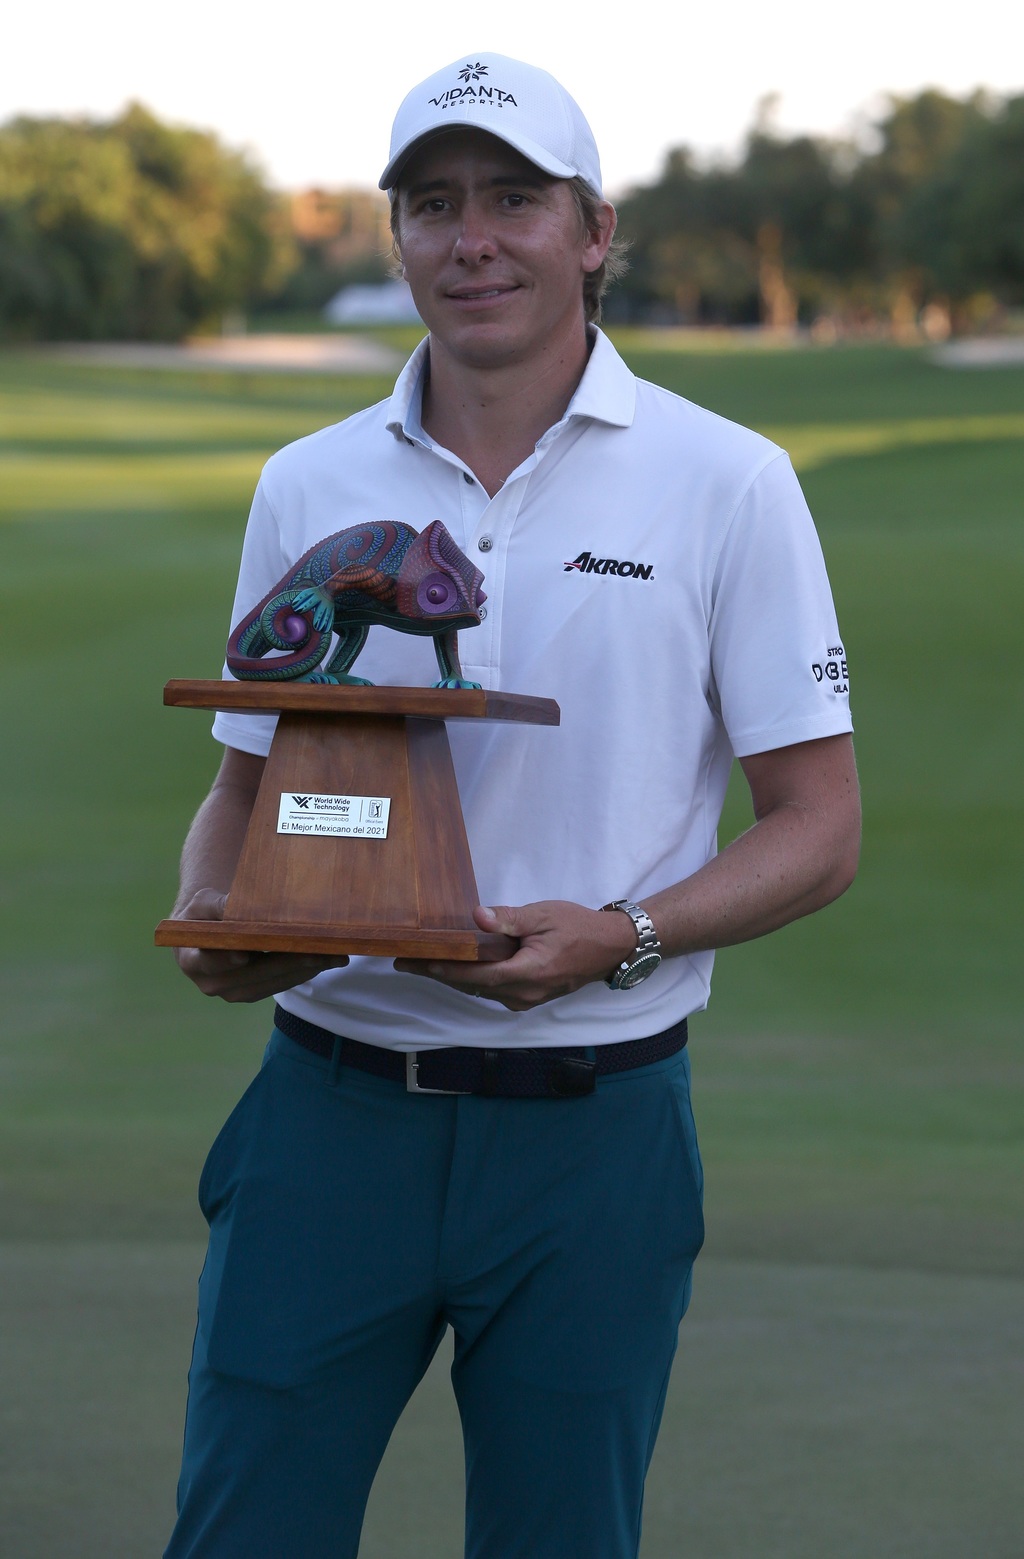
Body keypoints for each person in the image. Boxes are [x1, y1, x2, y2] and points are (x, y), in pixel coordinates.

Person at [164, 52, 860, 1559]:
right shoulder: (307, 480)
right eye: (432, 205)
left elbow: (820, 824)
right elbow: (245, 771)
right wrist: (220, 915)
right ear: (396, 235)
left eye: (511, 200)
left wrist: (625, 932)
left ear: (593, 231)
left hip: (594, 1132)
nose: (470, 238)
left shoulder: (727, 479)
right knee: (240, 1533)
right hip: (331, 1111)